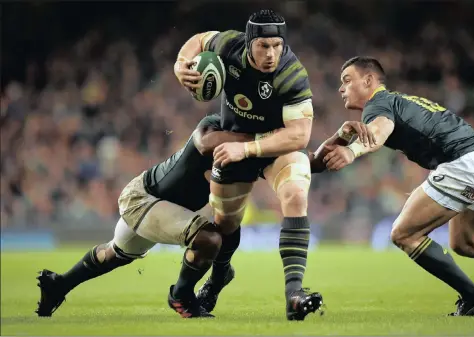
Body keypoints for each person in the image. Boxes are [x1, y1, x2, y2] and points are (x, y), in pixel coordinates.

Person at [317, 56, 474, 316]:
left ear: (368, 80)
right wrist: (338, 140)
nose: (341, 88)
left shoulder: (377, 104)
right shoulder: (399, 100)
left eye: (347, 80)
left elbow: (378, 133)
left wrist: (352, 152)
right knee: (468, 243)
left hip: (464, 163)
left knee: (403, 234)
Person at [174, 9, 323, 321]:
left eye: (277, 46)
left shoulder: (292, 75)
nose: (271, 54)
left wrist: (248, 148)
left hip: (275, 145)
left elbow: (299, 135)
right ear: (249, 42)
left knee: (296, 193)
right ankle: (216, 282)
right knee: (225, 224)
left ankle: (294, 293)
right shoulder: (230, 46)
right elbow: (200, 40)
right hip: (233, 141)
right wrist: (181, 63)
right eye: (263, 46)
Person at [35, 114, 253, 319]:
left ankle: (59, 285)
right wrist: (256, 138)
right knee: (208, 239)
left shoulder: (246, 155)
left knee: (114, 254)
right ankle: (182, 296)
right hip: (142, 198)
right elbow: (205, 143)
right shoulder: (213, 125)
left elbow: (230, 222)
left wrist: (219, 275)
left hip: (162, 206)